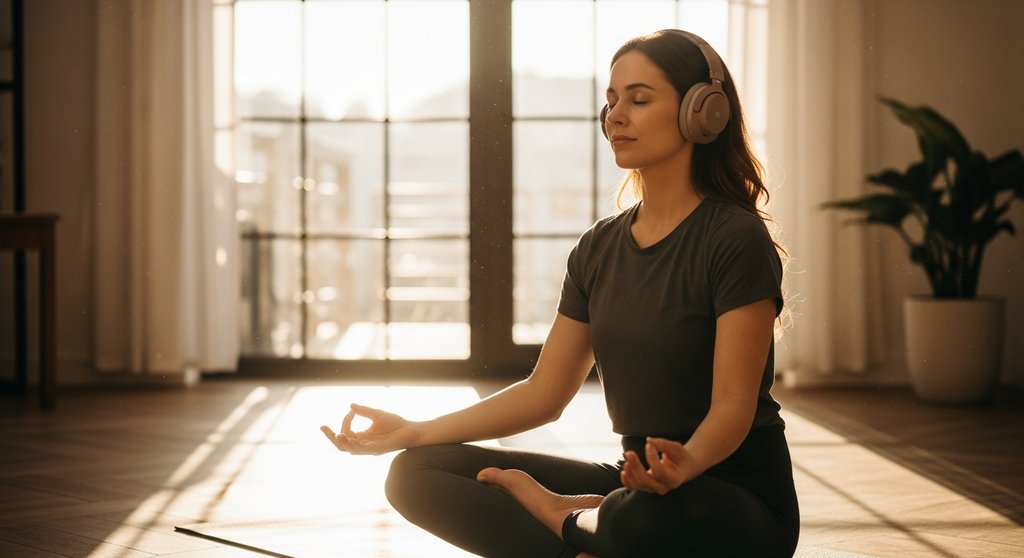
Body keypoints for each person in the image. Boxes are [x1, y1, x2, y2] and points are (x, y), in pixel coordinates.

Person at [321, 29, 800, 558]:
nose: (615, 116)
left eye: (639, 100)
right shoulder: (599, 247)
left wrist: (684, 465)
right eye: (611, 101)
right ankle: (588, 534)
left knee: (637, 516)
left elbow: (734, 406)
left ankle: (571, 519)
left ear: (701, 112)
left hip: (731, 496)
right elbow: (544, 394)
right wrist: (415, 431)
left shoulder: (734, 237)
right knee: (415, 472)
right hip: (631, 487)